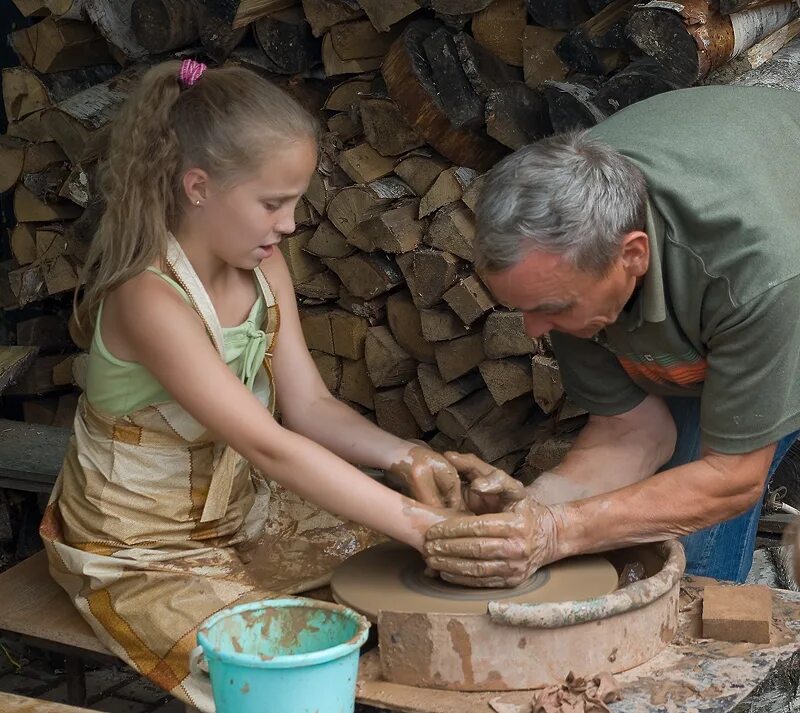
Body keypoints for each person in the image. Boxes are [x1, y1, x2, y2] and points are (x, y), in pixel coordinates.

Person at [38, 59, 519, 711]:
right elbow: (271, 446)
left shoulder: (264, 270)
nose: (290, 224)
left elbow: (311, 407)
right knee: (283, 664)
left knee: (392, 570)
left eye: (295, 202)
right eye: (273, 203)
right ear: (198, 186)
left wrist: (406, 456)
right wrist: (426, 525)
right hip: (136, 549)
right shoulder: (147, 298)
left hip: (242, 516)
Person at [424, 85, 800, 589]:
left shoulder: (753, 275)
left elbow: (732, 477)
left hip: (773, 271)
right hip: (731, 271)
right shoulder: (569, 243)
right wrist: (530, 511)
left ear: (633, 256)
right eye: (524, 309)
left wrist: (558, 532)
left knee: (698, 571)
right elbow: (633, 430)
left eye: (551, 308)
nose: (533, 330)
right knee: (657, 549)